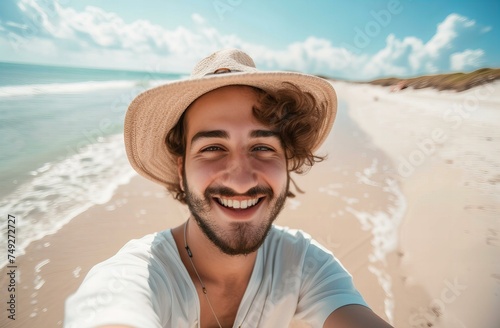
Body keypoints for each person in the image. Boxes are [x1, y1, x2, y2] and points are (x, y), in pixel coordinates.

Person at [65, 49, 393, 328]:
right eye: (212, 148)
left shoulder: (303, 264)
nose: (240, 179)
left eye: (263, 147)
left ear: (287, 163)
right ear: (182, 171)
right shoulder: (135, 277)